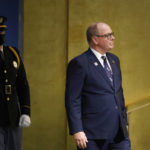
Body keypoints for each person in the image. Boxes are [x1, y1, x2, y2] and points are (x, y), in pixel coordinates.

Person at [65, 22, 131, 150]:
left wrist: (124, 121)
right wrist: (77, 130)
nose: (113, 38)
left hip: (119, 132)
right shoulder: (80, 63)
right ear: (95, 39)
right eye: (108, 35)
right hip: (92, 135)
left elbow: (118, 93)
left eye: (112, 34)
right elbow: (72, 99)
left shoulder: (114, 60)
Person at [0, 16, 31, 150]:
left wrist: (25, 111)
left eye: (3, 32)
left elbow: (22, 85)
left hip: (13, 116)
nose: (2, 35)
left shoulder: (13, 53)